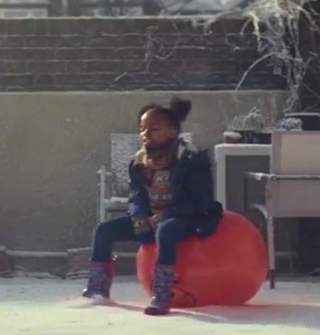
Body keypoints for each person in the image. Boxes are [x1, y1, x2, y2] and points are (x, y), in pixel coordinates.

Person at [81, 96, 223, 316]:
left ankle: (163, 293)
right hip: (151, 218)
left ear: (172, 132)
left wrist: (166, 214)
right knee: (104, 230)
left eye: (153, 129)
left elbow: (200, 200)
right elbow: (137, 194)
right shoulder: (139, 162)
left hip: (187, 218)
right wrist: (138, 214)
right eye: (142, 129)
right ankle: (98, 289)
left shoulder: (191, 159)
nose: (145, 135)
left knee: (166, 230)